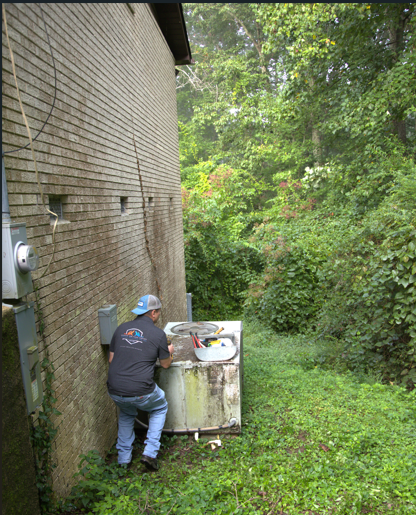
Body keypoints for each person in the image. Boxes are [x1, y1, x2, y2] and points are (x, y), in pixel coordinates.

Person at [107, 294, 174, 471]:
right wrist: (170, 351)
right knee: (159, 407)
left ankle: (123, 460)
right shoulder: (158, 334)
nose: (158, 316)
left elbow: (111, 359)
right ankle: (150, 454)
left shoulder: (121, 328)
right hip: (141, 390)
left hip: (114, 390)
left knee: (127, 413)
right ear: (153, 313)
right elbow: (165, 364)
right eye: (158, 313)